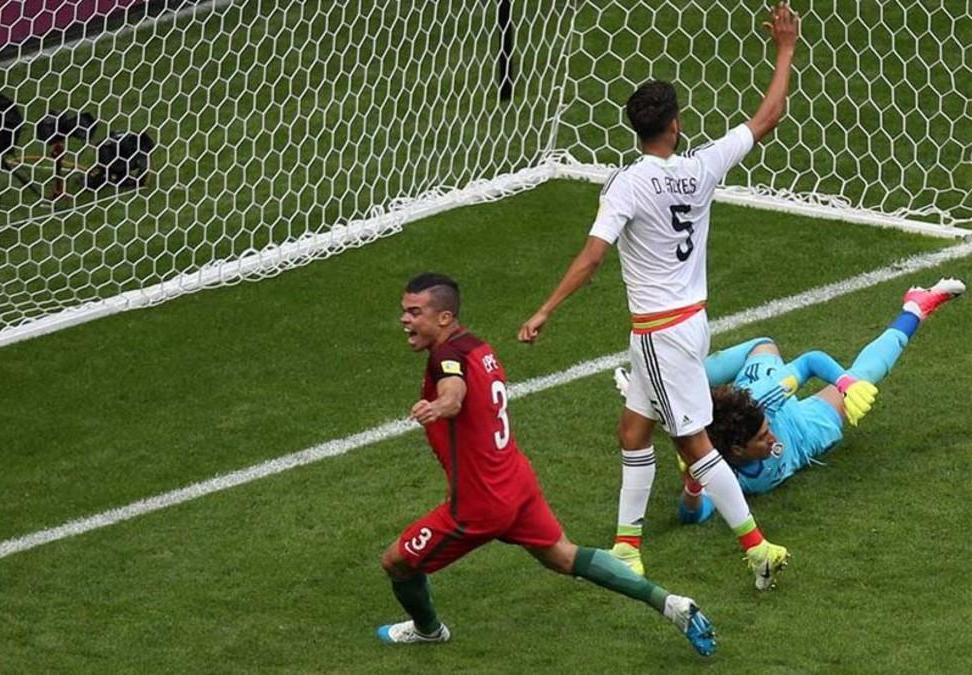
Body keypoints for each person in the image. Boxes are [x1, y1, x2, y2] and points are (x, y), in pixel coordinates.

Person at [517, 3, 800, 590]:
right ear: (673, 123)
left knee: (694, 443)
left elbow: (594, 256)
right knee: (632, 432)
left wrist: (545, 309)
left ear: (636, 128)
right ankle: (628, 547)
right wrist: (785, 49)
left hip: (659, 330)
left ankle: (757, 547)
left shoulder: (626, 183)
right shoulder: (699, 169)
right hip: (687, 321)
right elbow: (768, 115)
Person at [379, 273, 716, 656]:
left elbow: (453, 395)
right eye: (404, 311)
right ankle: (669, 603)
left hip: (481, 503)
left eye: (414, 312)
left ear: (444, 317)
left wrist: (439, 406)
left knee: (396, 563)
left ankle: (428, 631)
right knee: (563, 555)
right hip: (515, 483)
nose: (405, 319)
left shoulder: (445, 358)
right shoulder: (477, 347)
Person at [650, 278, 964, 521]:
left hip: (767, 392)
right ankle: (666, 388)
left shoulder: (766, 401)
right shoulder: (724, 472)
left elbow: (810, 361)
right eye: (762, 437)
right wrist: (692, 483)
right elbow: (693, 515)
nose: (770, 435)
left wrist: (846, 384)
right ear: (735, 450)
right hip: (805, 437)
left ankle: (918, 306)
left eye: (765, 428)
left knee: (771, 347)